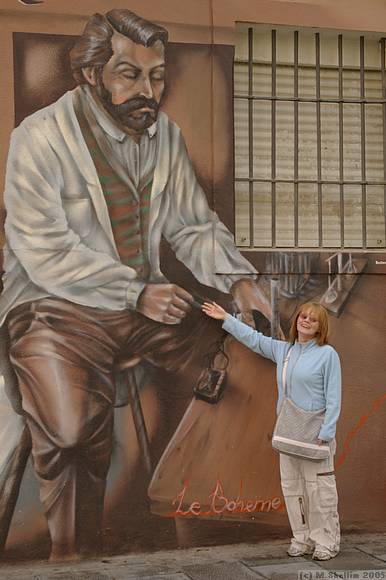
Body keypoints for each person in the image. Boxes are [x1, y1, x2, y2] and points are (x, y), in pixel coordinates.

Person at [0, 9, 273, 561]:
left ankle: (219, 519)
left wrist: (240, 281)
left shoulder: (163, 135)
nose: (147, 90)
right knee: (72, 432)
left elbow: (192, 225)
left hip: (146, 308)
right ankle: (74, 558)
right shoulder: (39, 137)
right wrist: (134, 291)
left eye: (156, 75)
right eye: (129, 74)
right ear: (91, 74)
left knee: (244, 360)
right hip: (54, 309)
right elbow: (43, 247)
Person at [202, 300, 341, 561]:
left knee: (319, 490)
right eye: (303, 316)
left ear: (321, 326)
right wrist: (225, 318)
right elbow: (253, 339)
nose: (306, 321)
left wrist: (327, 433)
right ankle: (302, 539)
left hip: (316, 435)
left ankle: (326, 542)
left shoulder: (327, 355)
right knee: (293, 488)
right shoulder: (284, 350)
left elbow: (334, 397)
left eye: (313, 319)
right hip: (289, 432)